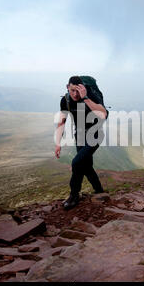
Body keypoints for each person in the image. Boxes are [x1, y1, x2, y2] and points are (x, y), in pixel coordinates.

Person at [55, 76, 108, 210]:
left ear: (83, 88)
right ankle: (99, 190)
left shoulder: (89, 96)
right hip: (79, 135)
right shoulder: (65, 100)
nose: (75, 94)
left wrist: (86, 98)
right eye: (72, 90)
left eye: (78, 90)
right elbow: (62, 122)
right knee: (86, 166)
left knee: (77, 162)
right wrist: (58, 143)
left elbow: (103, 115)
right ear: (68, 87)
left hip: (95, 135)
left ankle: (74, 195)